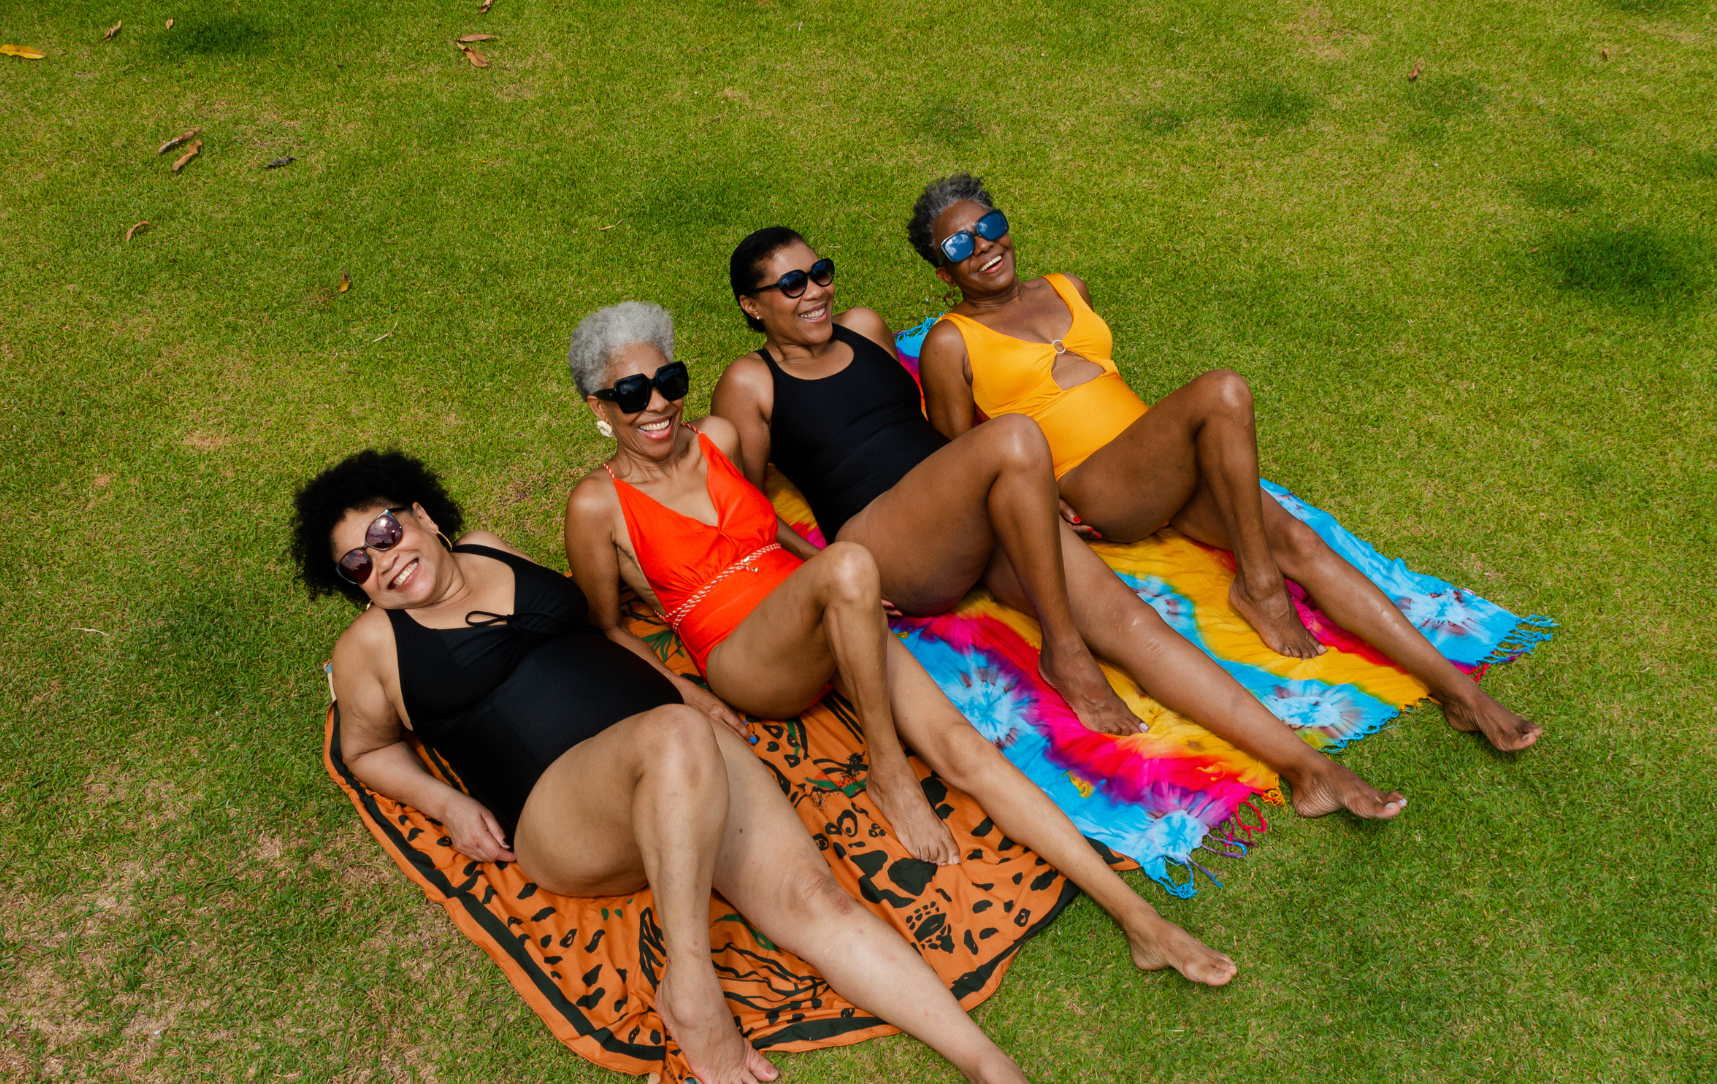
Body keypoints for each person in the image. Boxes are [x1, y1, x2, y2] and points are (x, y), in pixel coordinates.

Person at [292, 450, 1081, 1084]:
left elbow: (594, 641)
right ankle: (692, 990)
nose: (384, 562)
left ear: (424, 515)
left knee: (815, 897)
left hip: (680, 760)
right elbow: (365, 751)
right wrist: (445, 803)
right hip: (562, 809)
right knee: (671, 736)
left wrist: (686, 690)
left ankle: (991, 1071)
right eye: (357, 564)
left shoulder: (493, 547)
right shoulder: (370, 650)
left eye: (388, 531)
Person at [560, 301, 1240, 985]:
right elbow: (606, 625)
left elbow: (766, 529)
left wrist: (831, 584)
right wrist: (691, 696)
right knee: (852, 561)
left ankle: (1140, 921)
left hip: (826, 612)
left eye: (669, 381)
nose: (658, 405)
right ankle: (889, 772)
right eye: (631, 393)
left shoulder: (716, 438)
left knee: (961, 747)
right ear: (599, 405)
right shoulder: (597, 505)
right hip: (746, 657)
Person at [709, 231, 1409, 821]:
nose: (815, 293)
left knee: (1130, 620)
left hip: (967, 506)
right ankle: (1063, 650)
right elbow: (746, 501)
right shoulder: (750, 382)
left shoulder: (864, 328)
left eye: (819, 273)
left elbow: (921, 423)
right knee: (1015, 438)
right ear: (752, 305)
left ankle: (1307, 767)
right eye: (791, 285)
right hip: (886, 536)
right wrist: (820, 567)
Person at [912, 173, 1542, 752]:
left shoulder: (1065, 288)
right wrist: (1040, 493)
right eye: (958, 246)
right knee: (1222, 392)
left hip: (1160, 466)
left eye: (989, 227)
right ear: (943, 274)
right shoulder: (950, 341)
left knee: (1297, 538)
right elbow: (957, 452)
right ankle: (1260, 586)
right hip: (1098, 488)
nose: (983, 247)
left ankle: (1464, 695)